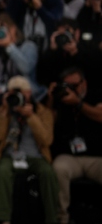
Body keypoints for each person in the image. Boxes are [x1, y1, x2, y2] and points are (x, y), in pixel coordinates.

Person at [0, 76, 58, 224]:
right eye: (13, 93)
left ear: (29, 93)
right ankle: (4, 219)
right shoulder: (4, 110)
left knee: (47, 172)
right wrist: (4, 111)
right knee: (1, 170)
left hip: (36, 156)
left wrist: (31, 117)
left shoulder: (42, 111)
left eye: (21, 92)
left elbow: (47, 140)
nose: (18, 96)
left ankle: (53, 219)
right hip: (11, 155)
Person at [50, 68, 102, 224]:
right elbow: (47, 124)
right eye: (68, 86)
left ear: (84, 83)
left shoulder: (95, 94)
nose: (72, 90)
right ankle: (62, 218)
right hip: (70, 157)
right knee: (58, 168)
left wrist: (78, 103)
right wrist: (52, 98)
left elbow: (100, 115)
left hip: (97, 157)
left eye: (75, 85)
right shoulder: (61, 100)